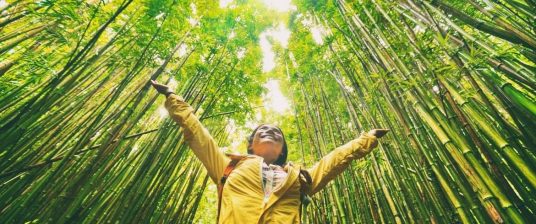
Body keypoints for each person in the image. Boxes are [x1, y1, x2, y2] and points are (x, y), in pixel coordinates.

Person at [150, 80, 389, 223]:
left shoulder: (299, 179)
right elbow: (197, 133)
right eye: (262, 130)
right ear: (251, 145)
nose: (270, 131)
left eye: (277, 132)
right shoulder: (228, 167)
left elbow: (334, 160)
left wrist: (366, 139)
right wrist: (173, 97)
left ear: (283, 149)